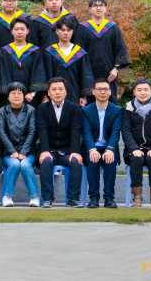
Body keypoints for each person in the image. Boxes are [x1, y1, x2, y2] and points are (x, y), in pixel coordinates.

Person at [36, 77, 84, 208]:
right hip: (49, 149)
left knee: (76, 162)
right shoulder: (42, 108)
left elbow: (76, 131)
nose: (57, 92)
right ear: (49, 92)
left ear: (66, 91)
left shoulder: (74, 108)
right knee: (46, 161)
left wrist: (75, 151)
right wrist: (44, 150)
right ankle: (47, 198)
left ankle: (73, 199)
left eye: (60, 89)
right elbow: (42, 130)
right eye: (54, 89)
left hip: (67, 151)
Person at [121, 78, 151, 209]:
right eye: (139, 90)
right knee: (137, 160)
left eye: (146, 90)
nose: (143, 93)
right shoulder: (128, 109)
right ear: (134, 92)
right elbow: (126, 131)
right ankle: (137, 197)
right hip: (133, 150)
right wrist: (133, 148)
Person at [76, 0, 131, 102]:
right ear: (90, 9)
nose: (98, 8)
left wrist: (116, 68)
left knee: (110, 102)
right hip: (89, 74)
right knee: (90, 103)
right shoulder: (82, 28)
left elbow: (120, 49)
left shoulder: (113, 28)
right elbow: (79, 52)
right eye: (95, 5)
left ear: (106, 8)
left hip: (109, 73)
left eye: (101, 5)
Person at [0, 82, 40, 207]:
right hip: (8, 152)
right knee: (15, 164)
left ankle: (34, 197)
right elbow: (1, 132)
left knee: (26, 165)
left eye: (19, 93)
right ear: (8, 96)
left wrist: (24, 152)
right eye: (13, 93)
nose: (16, 96)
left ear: (24, 95)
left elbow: (32, 132)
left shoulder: (31, 110)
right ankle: (7, 196)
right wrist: (12, 151)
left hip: (28, 152)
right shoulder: (2, 111)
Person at [82, 79, 123, 209]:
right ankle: (93, 198)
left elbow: (115, 132)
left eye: (105, 89)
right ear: (93, 92)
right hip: (93, 148)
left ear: (110, 92)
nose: (102, 92)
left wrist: (110, 149)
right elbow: (86, 132)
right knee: (92, 160)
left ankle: (109, 198)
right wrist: (92, 149)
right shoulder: (86, 110)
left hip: (108, 147)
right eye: (99, 89)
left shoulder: (117, 110)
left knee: (110, 161)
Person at [42, 16, 94, 106]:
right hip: (53, 96)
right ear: (57, 31)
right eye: (62, 30)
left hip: (75, 95)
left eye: (68, 30)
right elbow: (44, 75)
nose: (65, 33)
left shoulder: (79, 53)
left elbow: (85, 75)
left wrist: (84, 96)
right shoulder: (50, 52)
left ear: (72, 32)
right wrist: (45, 96)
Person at [0, 16, 46, 108]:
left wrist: (32, 93)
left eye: (22, 29)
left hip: (29, 98)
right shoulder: (4, 52)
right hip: (9, 98)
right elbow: (3, 74)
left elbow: (38, 73)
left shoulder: (35, 51)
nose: (19, 32)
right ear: (12, 31)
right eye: (16, 29)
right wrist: (10, 94)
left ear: (27, 31)